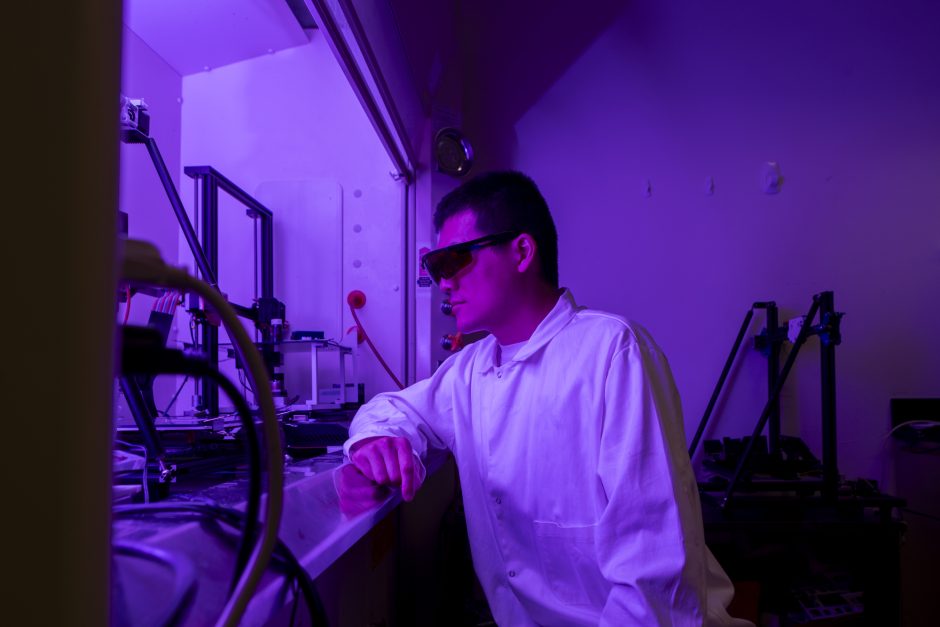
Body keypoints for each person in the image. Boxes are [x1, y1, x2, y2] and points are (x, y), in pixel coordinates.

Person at [339, 171, 751, 626]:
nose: (444, 283)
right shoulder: (470, 370)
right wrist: (377, 441)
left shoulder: (612, 352)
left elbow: (654, 580)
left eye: (453, 261)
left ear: (521, 252)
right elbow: (391, 409)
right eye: (435, 269)